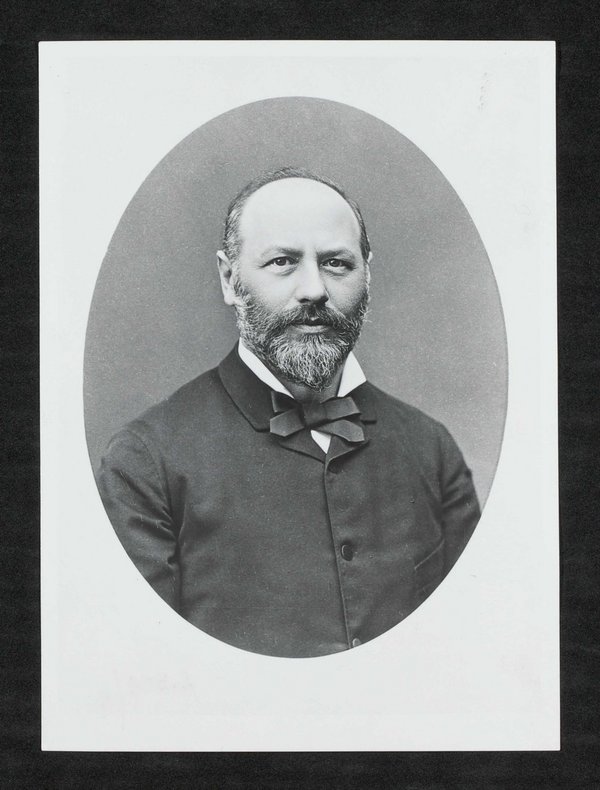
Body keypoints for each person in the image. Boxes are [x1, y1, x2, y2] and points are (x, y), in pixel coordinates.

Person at [97, 167, 480, 658]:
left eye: (336, 263)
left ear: (368, 275)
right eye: (282, 262)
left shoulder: (433, 448)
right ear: (229, 279)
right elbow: (145, 670)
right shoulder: (144, 463)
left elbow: (472, 645)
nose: (313, 290)